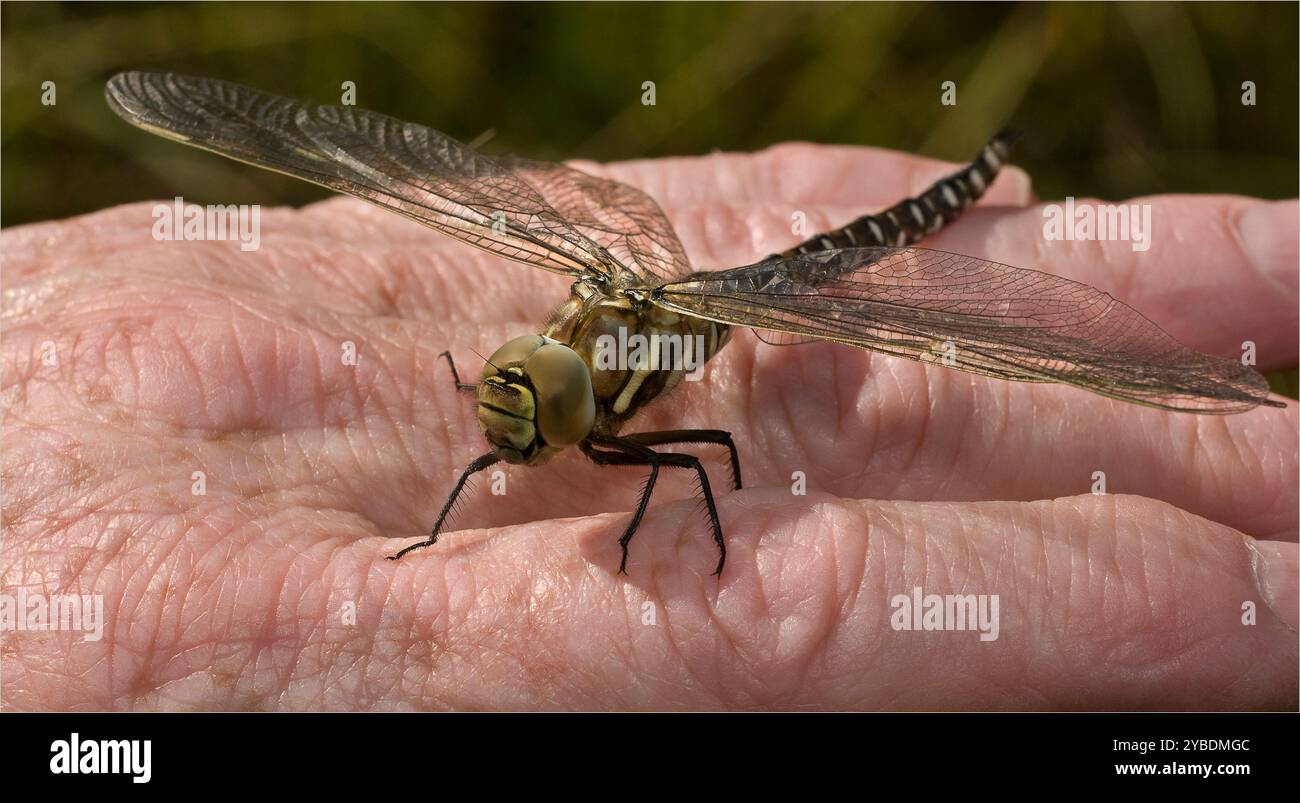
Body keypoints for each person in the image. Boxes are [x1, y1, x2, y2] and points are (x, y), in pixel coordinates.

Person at [2, 141, 1295, 710]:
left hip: (775, 288)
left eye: (529, 406)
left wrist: (684, 541)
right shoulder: (539, 383)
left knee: (734, 422)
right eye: (515, 398)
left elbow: (713, 455)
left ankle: (968, 180)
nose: (511, 425)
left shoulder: (625, 402)